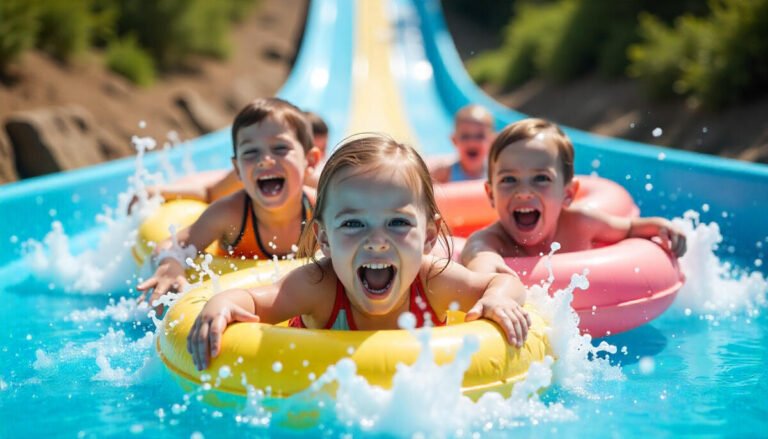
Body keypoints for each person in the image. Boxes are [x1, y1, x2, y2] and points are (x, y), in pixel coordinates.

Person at [187, 133, 531, 371]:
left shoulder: (434, 281)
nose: (377, 241)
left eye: (398, 222)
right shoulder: (318, 287)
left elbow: (503, 284)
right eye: (353, 224)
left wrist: (499, 300)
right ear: (323, 238)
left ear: (428, 236)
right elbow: (253, 301)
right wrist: (221, 306)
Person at [137, 97, 321, 306]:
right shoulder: (230, 213)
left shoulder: (319, 210)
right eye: (251, 152)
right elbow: (173, 244)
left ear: (310, 161)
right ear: (238, 170)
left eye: (280, 148)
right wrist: (170, 265)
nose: (265, 159)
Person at [461, 118, 687, 274]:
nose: (524, 192)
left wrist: (659, 226)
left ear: (568, 194)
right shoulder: (490, 241)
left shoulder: (581, 223)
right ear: (491, 195)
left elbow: (628, 228)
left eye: (541, 178)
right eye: (509, 180)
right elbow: (479, 258)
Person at [136, 110, 330, 205]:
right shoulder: (256, 173)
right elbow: (212, 193)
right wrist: (161, 191)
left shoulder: (322, 184)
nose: (268, 159)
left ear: (312, 159)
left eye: (323, 149)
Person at [428, 104, 495, 183]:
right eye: (465, 136)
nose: (472, 143)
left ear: (491, 140)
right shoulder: (444, 174)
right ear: (454, 140)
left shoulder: (495, 173)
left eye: (480, 136)